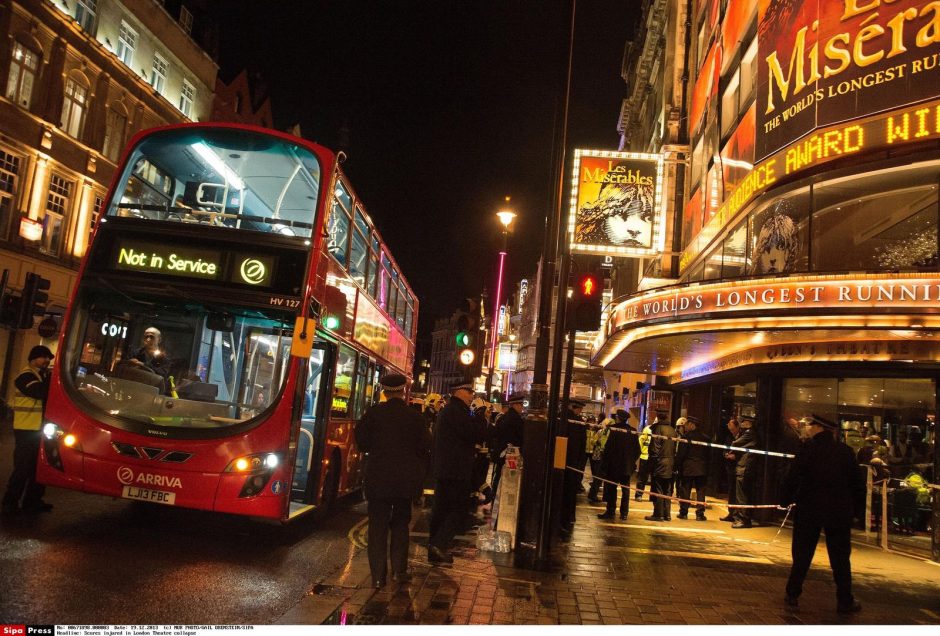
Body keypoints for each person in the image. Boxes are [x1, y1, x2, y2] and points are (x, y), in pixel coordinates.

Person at [781, 414, 864, 614]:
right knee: (841, 558)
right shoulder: (845, 452)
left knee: (802, 554)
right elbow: (857, 485)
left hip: (809, 509)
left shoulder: (807, 450)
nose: (807, 427)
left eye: (810, 425)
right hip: (838, 512)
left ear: (819, 428)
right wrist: (858, 512)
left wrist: (784, 500)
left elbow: (792, 477)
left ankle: (793, 593)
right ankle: (845, 600)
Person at [355, 374, 431, 588]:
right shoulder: (415, 417)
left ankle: (378, 577)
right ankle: (399, 570)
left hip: (378, 480)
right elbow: (425, 446)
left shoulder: (373, 414)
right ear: (403, 390)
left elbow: (362, 442)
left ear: (385, 391)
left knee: (377, 528)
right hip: (404, 483)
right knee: (400, 525)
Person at [428, 381, 486, 564]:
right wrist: (480, 418)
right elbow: (476, 434)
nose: (472, 395)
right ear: (458, 392)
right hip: (456, 471)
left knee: (441, 510)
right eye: (469, 391)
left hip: (445, 470)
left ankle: (435, 549)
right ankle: (439, 544)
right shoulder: (458, 412)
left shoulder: (450, 410)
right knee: (458, 510)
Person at [2, 345, 55, 514]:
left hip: (38, 429)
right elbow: (40, 392)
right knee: (23, 467)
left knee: (38, 466)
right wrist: (50, 378)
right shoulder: (25, 376)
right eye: (44, 357)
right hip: (26, 429)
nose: (47, 361)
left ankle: (32, 501)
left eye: (49, 358)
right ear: (33, 359)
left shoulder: (41, 375)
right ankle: (10, 502)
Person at [598, 409, 640, 520]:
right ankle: (624, 513)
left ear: (617, 418)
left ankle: (611, 511)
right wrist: (631, 462)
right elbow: (637, 450)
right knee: (625, 490)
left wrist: (605, 463)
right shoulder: (633, 431)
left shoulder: (614, 429)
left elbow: (609, 448)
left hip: (614, 466)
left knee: (612, 489)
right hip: (627, 467)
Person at [560, 398, 588, 539]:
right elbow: (582, 448)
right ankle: (568, 517)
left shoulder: (559, 419)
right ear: (576, 408)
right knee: (570, 494)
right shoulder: (579, 424)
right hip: (573, 464)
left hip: (559, 463)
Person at [645, 411, 677, 522]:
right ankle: (667, 514)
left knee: (658, 488)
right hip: (670, 463)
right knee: (667, 489)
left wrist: (651, 464)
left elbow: (655, 448)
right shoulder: (672, 430)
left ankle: (658, 514)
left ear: (658, 417)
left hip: (660, 462)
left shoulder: (658, 429)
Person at [676, 415, 709, 520]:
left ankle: (683, 512)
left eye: (687, 424)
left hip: (688, 468)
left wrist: (677, 466)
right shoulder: (706, 438)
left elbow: (681, 454)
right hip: (702, 469)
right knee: (701, 491)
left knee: (685, 490)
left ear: (691, 424)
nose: (685, 426)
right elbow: (710, 455)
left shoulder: (686, 438)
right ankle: (700, 514)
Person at [492, 392, 525, 493]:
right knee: (510, 480)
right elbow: (521, 437)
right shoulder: (517, 420)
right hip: (512, 455)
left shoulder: (502, 418)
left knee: (498, 476)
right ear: (514, 405)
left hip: (501, 453)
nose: (522, 407)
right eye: (520, 405)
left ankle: (495, 496)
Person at [730, 417, 759, 528]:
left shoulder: (749, 433)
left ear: (749, 423)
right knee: (742, 494)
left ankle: (743, 519)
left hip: (744, 467)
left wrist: (734, 447)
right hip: (744, 467)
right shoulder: (751, 433)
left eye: (743, 422)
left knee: (742, 495)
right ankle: (743, 518)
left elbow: (735, 443)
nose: (741, 424)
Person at [587, 414, 613, 502]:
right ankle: (599, 495)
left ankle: (593, 494)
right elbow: (593, 441)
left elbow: (593, 441)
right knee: (604, 477)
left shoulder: (602, 431)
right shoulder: (606, 432)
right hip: (603, 457)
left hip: (601, 456)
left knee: (599, 477)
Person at [720, 418, 741, 521]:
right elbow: (724, 449)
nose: (732, 432)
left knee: (738, 493)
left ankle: (737, 514)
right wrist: (726, 454)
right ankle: (731, 513)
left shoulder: (742, 437)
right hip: (730, 468)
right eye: (730, 430)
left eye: (733, 429)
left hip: (738, 468)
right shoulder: (729, 437)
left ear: (738, 427)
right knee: (731, 491)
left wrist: (735, 457)